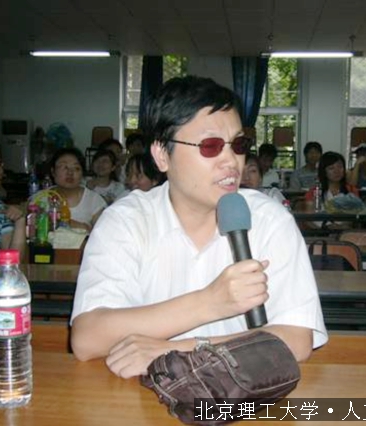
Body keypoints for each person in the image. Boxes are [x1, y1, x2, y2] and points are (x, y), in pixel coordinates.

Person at [70, 76, 327, 378]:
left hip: (242, 395)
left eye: (239, 144)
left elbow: (296, 340)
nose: (231, 161)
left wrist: (177, 352)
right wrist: (211, 302)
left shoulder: (270, 220)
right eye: (210, 146)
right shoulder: (126, 221)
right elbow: (88, 338)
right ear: (162, 155)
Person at [37, 148, 106, 233]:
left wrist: (84, 228)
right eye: (64, 167)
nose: (70, 172)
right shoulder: (40, 199)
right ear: (53, 171)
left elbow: (104, 234)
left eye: (76, 168)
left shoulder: (95, 201)